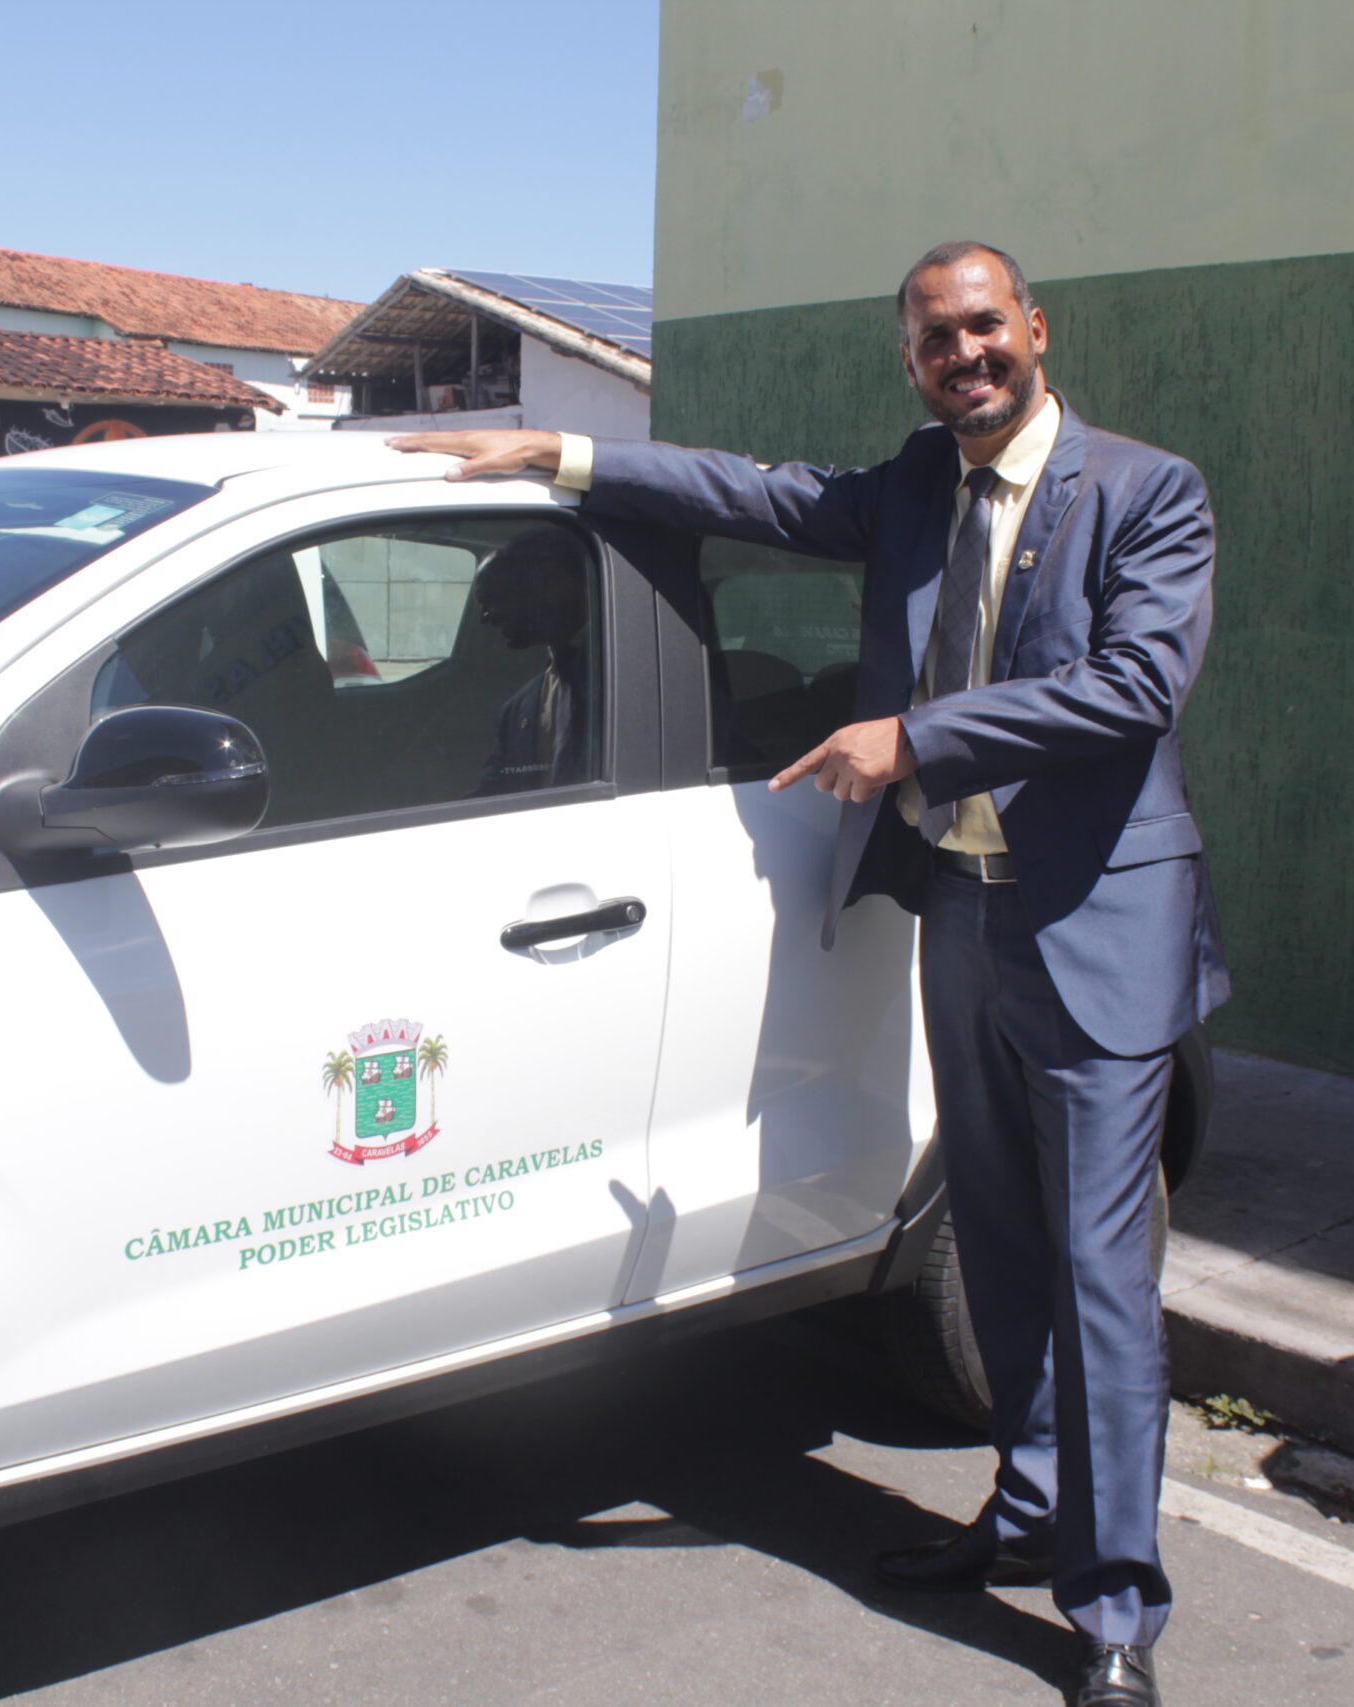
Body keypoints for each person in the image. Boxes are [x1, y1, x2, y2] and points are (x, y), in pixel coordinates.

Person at [394, 240, 1227, 1707]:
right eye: (934, 340)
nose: (964, 356)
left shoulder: (1145, 491)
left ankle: (1113, 1609)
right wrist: (564, 454)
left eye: (983, 327)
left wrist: (913, 740)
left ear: (1035, 329)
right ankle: (1029, 1512)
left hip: (1095, 931)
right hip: (960, 915)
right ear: (910, 359)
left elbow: (1134, 685)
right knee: (1001, 1246)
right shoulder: (912, 483)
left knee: (1100, 1273)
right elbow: (758, 495)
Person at [470, 528, 594, 796]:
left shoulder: (634, 678)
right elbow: (491, 795)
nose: (485, 617)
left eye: (493, 596)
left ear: (552, 583)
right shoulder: (515, 712)